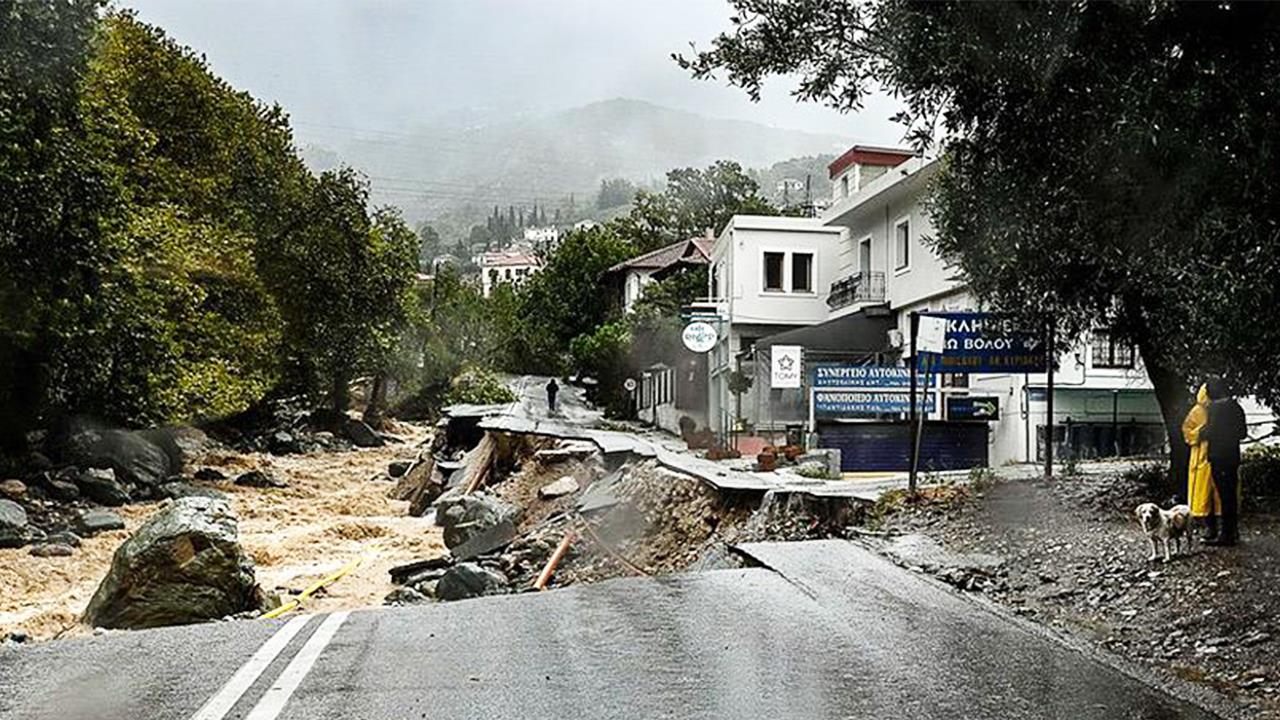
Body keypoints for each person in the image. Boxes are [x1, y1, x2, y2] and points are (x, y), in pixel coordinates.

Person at [1200, 377, 1247, 546]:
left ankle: (1226, 536)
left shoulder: (1214, 409)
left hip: (1218, 456)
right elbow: (1243, 433)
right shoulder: (1236, 407)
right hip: (1232, 456)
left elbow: (1209, 431)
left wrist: (1201, 433)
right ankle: (1232, 531)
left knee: (1224, 495)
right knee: (1231, 496)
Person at [1181, 384, 1221, 540]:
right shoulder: (1197, 411)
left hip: (1214, 456)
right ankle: (1212, 529)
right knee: (1206, 496)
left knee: (1218, 495)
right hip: (1202, 458)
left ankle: (1222, 530)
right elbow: (1187, 431)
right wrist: (1201, 433)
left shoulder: (1219, 410)